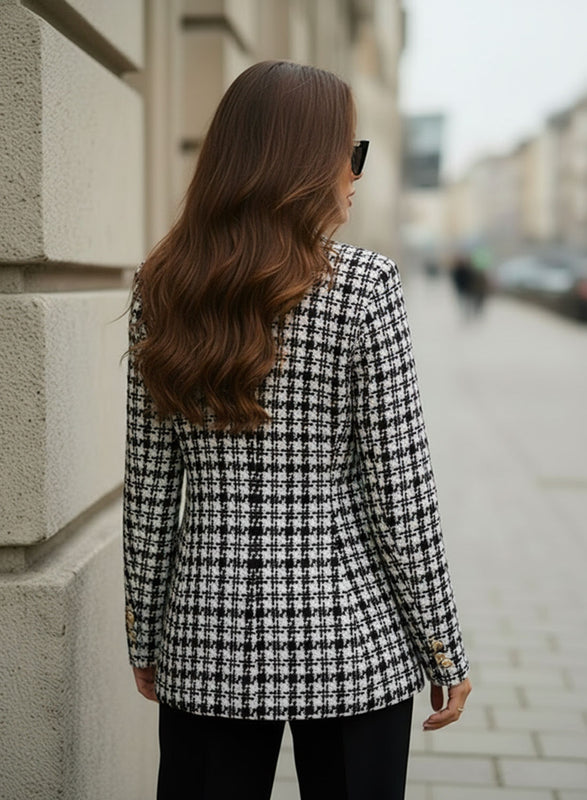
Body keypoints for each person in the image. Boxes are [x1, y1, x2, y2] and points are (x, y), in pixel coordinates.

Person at [122, 60, 471, 800]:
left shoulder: (163, 287)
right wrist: (442, 646)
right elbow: (401, 493)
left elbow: (150, 493)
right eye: (351, 152)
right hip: (352, 635)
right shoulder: (365, 288)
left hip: (208, 637)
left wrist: (146, 636)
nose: (355, 174)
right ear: (304, 164)